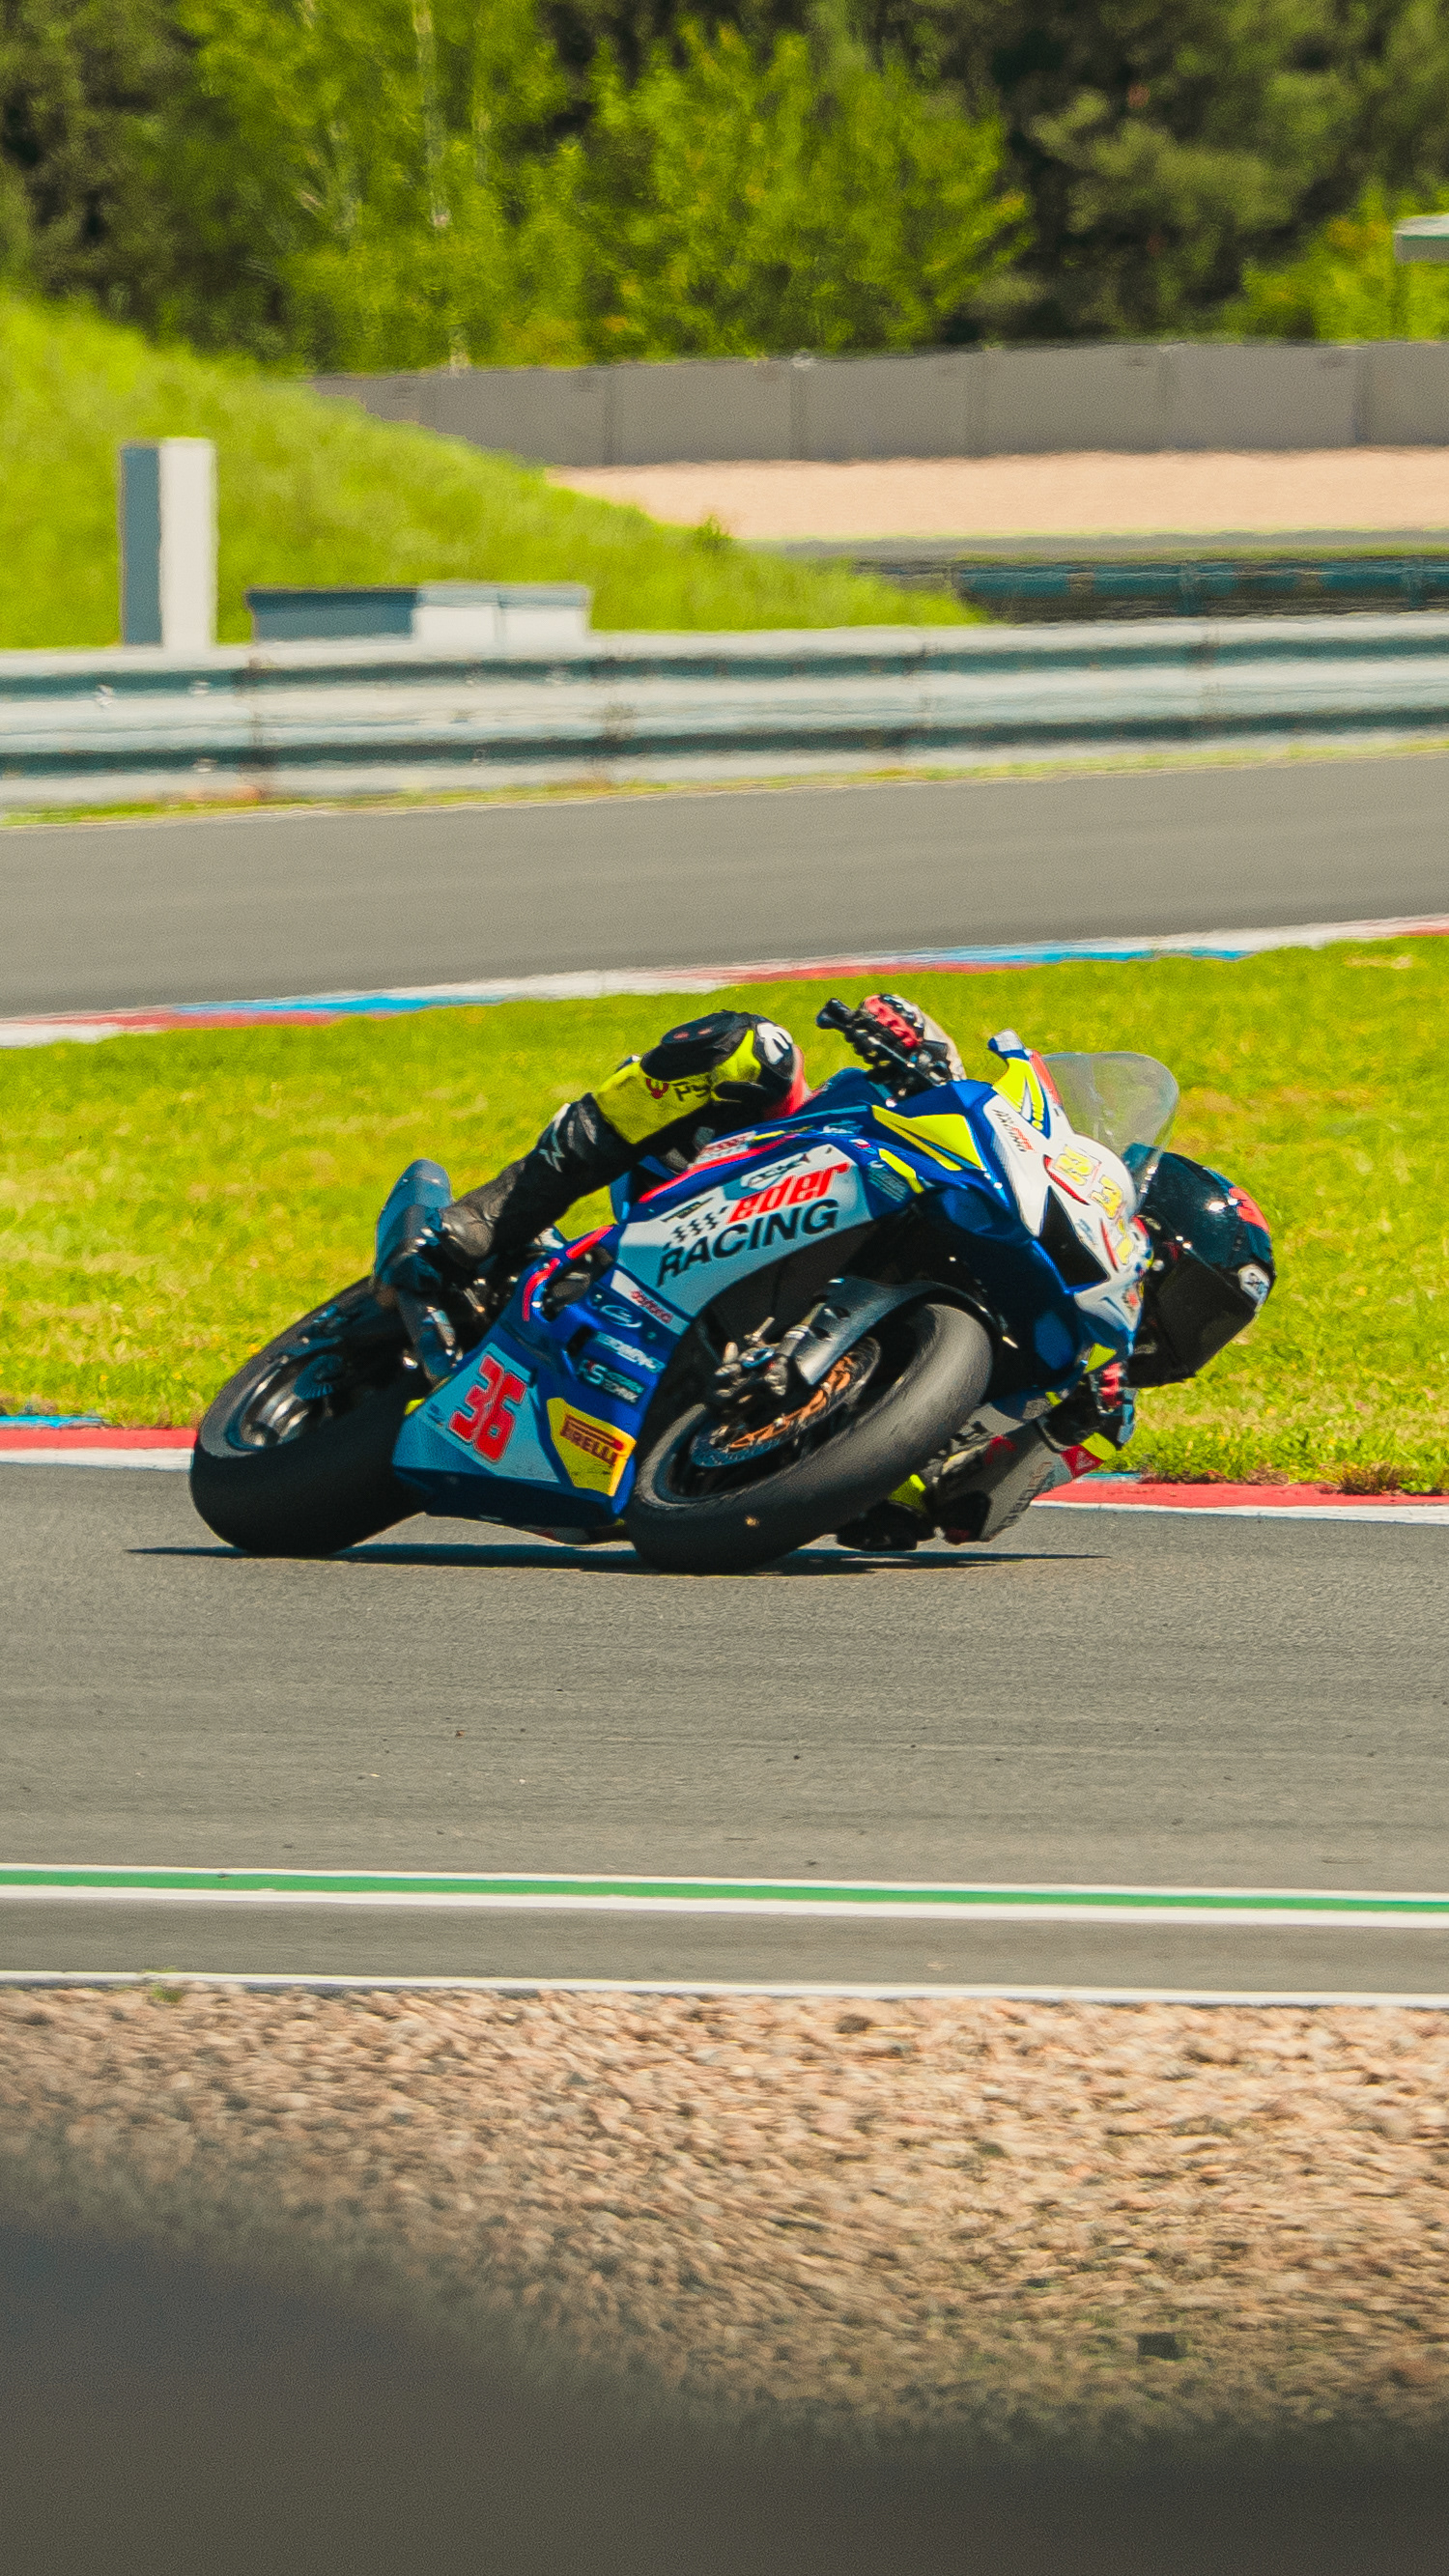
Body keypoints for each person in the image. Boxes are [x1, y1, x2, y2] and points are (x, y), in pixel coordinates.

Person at [379, 994, 1274, 1550]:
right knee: (750, 1048)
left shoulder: (1093, 1405)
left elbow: (963, 1516)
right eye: (1197, 1304)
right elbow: (950, 1094)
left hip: (718, 1472)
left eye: (1211, 1329)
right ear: (1146, 1230)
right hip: (739, 1176)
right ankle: (495, 1213)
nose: (1187, 1336)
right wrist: (916, 1051)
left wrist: (1021, 1446)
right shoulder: (1013, 1170)